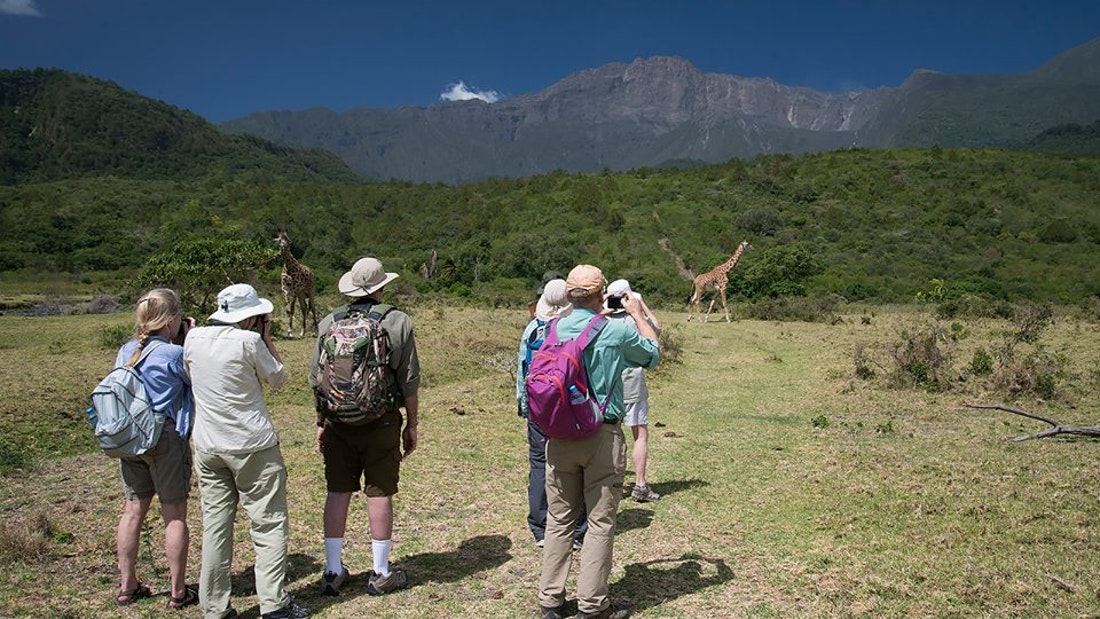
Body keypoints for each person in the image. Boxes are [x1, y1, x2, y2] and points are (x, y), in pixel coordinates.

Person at [538, 265, 660, 619]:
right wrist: (637, 314)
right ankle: (592, 605)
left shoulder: (553, 327)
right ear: (601, 293)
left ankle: (550, 600)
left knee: (559, 520)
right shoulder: (615, 331)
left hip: (558, 434)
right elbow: (652, 355)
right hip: (601, 434)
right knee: (599, 522)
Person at [183, 283, 309, 619]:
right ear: (251, 317)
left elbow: (189, 374)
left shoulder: (192, 339)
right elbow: (279, 379)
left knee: (216, 527)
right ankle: (274, 604)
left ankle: (214, 608)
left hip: (208, 445)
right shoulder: (250, 341)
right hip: (252, 445)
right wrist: (267, 339)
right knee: (268, 524)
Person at [309, 257, 420, 597]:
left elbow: (316, 377)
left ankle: (331, 570)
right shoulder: (397, 321)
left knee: (338, 490)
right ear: (381, 287)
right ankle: (381, 570)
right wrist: (412, 424)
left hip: (337, 422)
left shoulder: (329, 321)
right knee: (379, 491)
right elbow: (409, 380)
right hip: (381, 421)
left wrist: (321, 422)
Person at [112, 288, 198, 608]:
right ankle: (178, 591)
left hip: (130, 437)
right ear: (171, 319)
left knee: (133, 511)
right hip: (164, 436)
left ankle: (126, 584)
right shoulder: (174, 355)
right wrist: (187, 341)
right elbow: (193, 383)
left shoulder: (125, 350)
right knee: (174, 515)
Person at [517, 279, 587, 549]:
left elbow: (523, 373)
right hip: (568, 410)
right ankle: (577, 530)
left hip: (538, 409)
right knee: (576, 466)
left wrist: (525, 406)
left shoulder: (533, 329)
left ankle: (540, 527)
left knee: (538, 464)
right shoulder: (574, 328)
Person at [604, 279, 662, 503]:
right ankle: (640, 484)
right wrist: (640, 306)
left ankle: (609, 484)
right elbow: (656, 330)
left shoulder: (604, 321)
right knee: (640, 434)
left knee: (610, 435)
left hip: (609, 386)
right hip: (633, 385)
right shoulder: (635, 321)